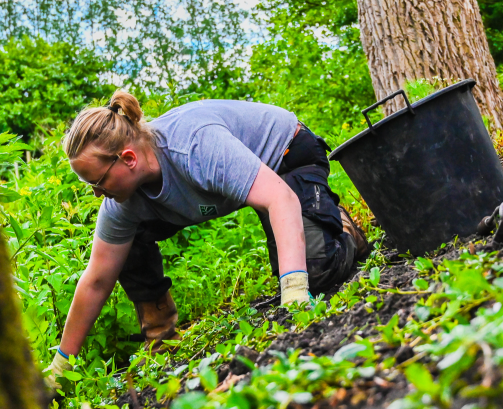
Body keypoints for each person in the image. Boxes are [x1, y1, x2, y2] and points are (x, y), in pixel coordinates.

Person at [43, 90, 368, 388]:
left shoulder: (194, 146)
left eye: (97, 181)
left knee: (315, 271)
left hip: (284, 154)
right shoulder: (121, 202)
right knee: (122, 242)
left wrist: (295, 290)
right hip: (249, 182)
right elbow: (97, 278)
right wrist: (61, 365)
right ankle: (160, 334)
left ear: (128, 159)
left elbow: (280, 199)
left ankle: (340, 226)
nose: (97, 193)